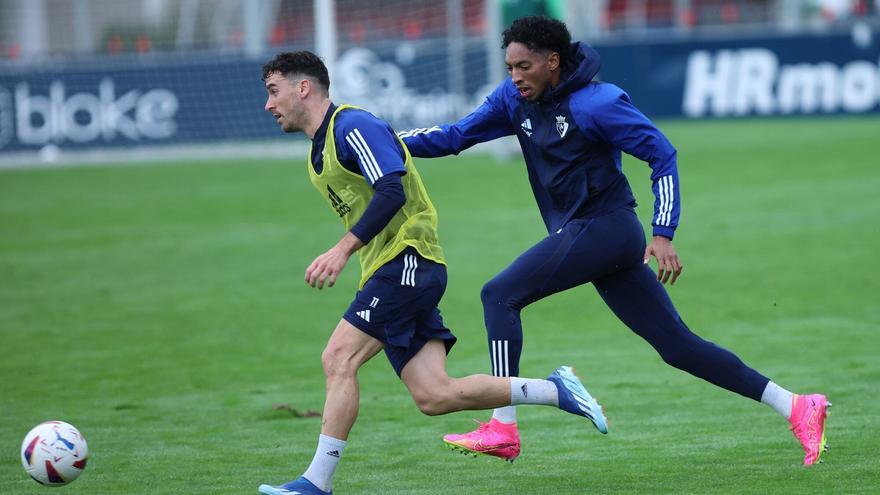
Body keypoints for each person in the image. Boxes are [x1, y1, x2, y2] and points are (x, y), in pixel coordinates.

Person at [399, 16, 830, 466]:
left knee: (499, 295)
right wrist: (386, 141)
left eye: (524, 67)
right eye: (509, 67)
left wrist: (663, 233)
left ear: (552, 61)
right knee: (678, 347)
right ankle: (797, 405)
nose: (514, 77)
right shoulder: (514, 99)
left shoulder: (597, 103)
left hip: (608, 229)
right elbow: (454, 137)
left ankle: (501, 426)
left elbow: (661, 153)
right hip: (593, 239)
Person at [257, 51, 611, 495]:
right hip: (395, 269)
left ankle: (316, 483)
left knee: (338, 358)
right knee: (434, 395)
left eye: (274, 91)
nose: (269, 104)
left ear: (302, 87)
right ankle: (555, 391)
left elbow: (391, 185)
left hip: (408, 261)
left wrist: (342, 249)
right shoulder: (320, 149)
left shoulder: (351, 126)